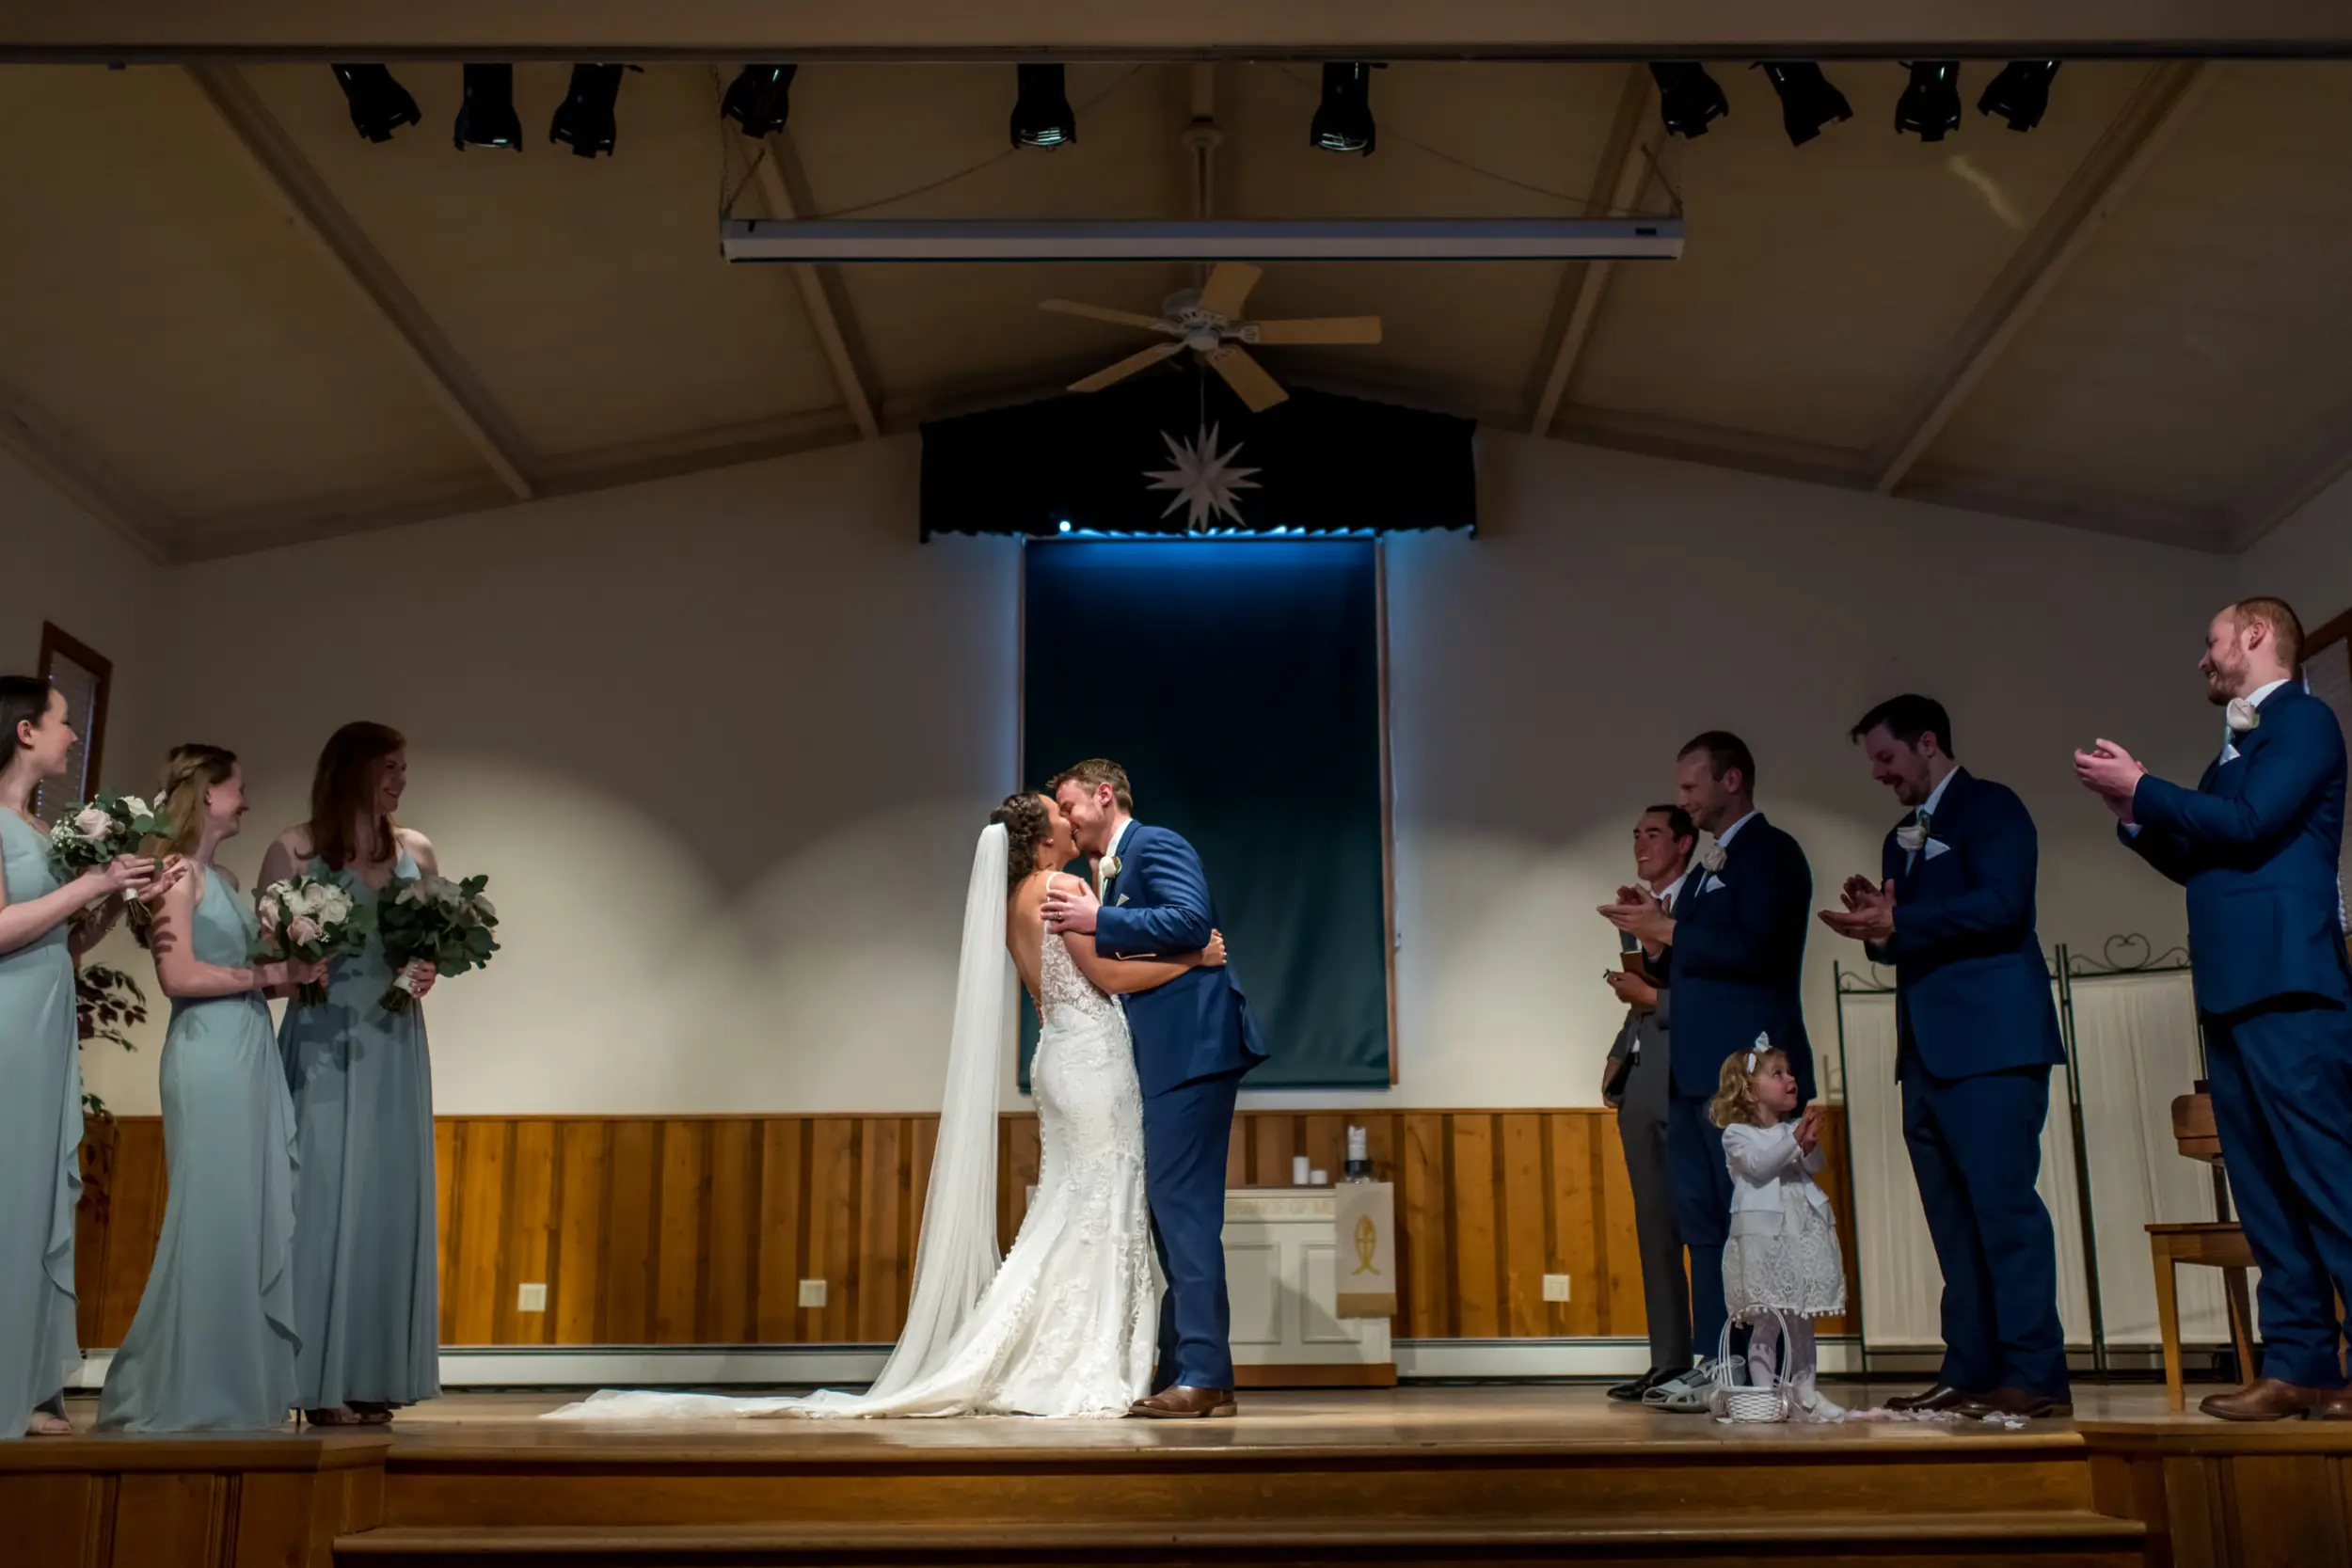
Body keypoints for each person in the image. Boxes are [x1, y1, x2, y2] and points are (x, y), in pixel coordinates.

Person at [546, 792, 1227, 1420]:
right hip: (1091, 1059)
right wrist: (1193, 958)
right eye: (1059, 812)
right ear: (1043, 836)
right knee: (1102, 1199)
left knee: (1072, 1203)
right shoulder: (1060, 888)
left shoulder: (1013, 898)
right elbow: (1105, 974)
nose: (1068, 818)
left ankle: (1039, 1348)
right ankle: (1083, 1357)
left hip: (1056, 1056)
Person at [2077, 596, 2352, 1422]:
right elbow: (2203, 856)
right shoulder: (2229, 750)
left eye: (2214, 639)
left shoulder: (2303, 720)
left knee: (2330, 1181)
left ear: (2257, 635)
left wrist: (2146, 785)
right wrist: (2134, 815)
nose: (2204, 656)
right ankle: (2301, 1366)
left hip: (2292, 986)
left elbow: (2251, 822)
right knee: (2265, 1191)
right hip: (2233, 992)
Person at [1821, 695, 2070, 1419]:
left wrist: (1904, 917)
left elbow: (2003, 905)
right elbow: (1908, 933)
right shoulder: (1901, 835)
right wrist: (1878, 926)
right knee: (1952, 1222)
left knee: (2005, 1213)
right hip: (1925, 1054)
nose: (1878, 772)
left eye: (1886, 756)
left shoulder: (1993, 808)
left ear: (1927, 742)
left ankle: (2036, 1372)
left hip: (1994, 1044)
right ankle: (1971, 1366)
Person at [96, 746, 324, 1432]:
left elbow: (255, 971)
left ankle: (237, 1383)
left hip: (249, 1047)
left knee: (248, 1214)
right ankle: (180, 1386)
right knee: (211, 1215)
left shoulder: (222, 875)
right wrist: (266, 976)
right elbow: (180, 977)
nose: (247, 801)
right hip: (208, 1053)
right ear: (209, 794)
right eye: (239, 789)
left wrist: (308, 965)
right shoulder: (175, 875)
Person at [1042, 759, 1268, 1419]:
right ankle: (1184, 1367)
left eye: (1069, 802)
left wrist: (1096, 917)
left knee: (1185, 1211)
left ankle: (1204, 1372)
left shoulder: (1156, 843)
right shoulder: (1105, 871)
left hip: (1192, 1051)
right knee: (1171, 1216)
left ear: (1104, 794)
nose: (1065, 816)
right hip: (1164, 1058)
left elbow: (1191, 919)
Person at [1601, 731, 1814, 1381]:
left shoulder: (1772, 854)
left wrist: (1671, 930)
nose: (1682, 799)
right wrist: (1655, 935)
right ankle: (1713, 1356)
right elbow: (1687, 959)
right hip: (1693, 1073)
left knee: (1752, 1224)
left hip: (1745, 1072)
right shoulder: (1708, 868)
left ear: (1732, 780)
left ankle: (1765, 1363)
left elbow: (1758, 949)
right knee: (1702, 1226)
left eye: (1690, 786)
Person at [0, 677, 172, 1438]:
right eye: (65, 722)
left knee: (35, 1196)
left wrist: (114, 895)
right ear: (25, 731)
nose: (74, 736)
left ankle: (28, 1378)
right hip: (6, 1020)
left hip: (43, 1017)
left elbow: (61, 941)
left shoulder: (37, 827)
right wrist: (94, 881)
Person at [261, 722, 441, 1427]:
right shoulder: (296, 848)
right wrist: (300, 956)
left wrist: (427, 967)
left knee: (385, 1197)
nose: (401, 779)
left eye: (404, 766)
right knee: (321, 1197)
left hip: (394, 1038)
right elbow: (269, 950)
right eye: (390, 766)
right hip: (324, 1031)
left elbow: (427, 941)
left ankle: (374, 1372)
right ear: (354, 770)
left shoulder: (416, 850)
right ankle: (312, 1374)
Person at [1600, 805, 1694, 1403]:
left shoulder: (1701, 905)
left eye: (1654, 832)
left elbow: (1717, 995)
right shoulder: (1641, 913)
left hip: (1689, 1070)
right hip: (1644, 1069)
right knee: (1653, 1225)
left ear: (1683, 844)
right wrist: (1619, 1051)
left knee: (1702, 1223)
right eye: (1634, 832)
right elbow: (1642, 991)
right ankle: (1667, 1359)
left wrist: (1651, 1003)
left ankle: (1717, 1359)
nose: (1641, 841)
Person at [1710, 1037, 1846, 1421]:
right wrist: (1795, 1139)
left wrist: (1808, 1142)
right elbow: (1760, 1165)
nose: (1791, 1080)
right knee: (1768, 1321)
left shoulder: (1790, 1128)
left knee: (1803, 1321)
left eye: (1790, 1073)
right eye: (1778, 1074)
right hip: (1765, 1241)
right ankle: (1766, 1396)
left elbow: (1814, 1165)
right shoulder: (1737, 1134)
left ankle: (1807, 1392)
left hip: (1799, 1235)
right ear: (1750, 1092)